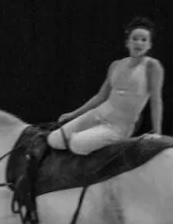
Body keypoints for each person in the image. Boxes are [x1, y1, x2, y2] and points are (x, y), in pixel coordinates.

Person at [49, 17, 164, 153]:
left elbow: (156, 101)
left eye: (144, 40)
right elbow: (101, 96)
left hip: (119, 126)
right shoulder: (116, 65)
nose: (139, 43)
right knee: (54, 139)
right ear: (127, 42)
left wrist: (157, 133)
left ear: (149, 45)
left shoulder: (152, 66)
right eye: (135, 38)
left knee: (76, 144)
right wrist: (73, 114)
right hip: (98, 114)